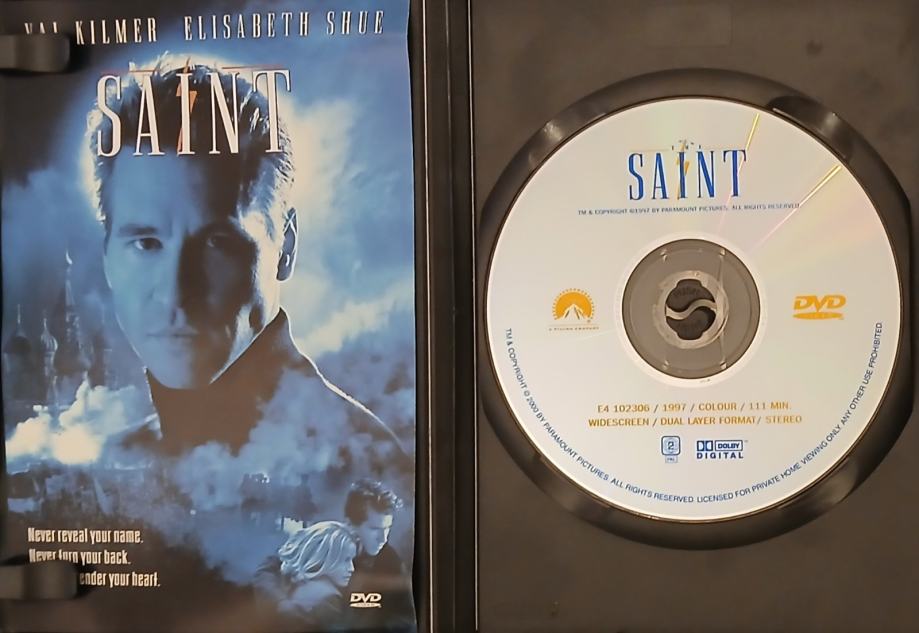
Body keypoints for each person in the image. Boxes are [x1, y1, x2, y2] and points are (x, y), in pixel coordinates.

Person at [86, 60, 408, 461]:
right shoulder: (113, 462)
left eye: (217, 244)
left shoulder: (364, 465)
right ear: (107, 255)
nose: (176, 293)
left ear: (285, 246)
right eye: (147, 244)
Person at [256, 521, 359, 631]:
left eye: (351, 560)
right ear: (324, 557)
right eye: (346, 560)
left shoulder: (279, 578)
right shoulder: (328, 600)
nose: (351, 568)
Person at [344, 480, 414, 631]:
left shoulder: (392, 563)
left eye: (387, 528)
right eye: (375, 529)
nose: (383, 539)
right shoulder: (326, 558)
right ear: (350, 525)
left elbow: (406, 622)